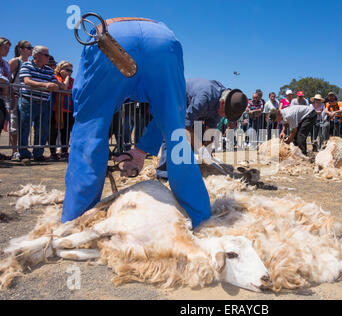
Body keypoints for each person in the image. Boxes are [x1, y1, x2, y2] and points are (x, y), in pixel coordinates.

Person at [63, 18, 225, 229]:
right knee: (177, 136)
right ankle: (201, 217)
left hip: (110, 38)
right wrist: (142, 150)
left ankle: (75, 220)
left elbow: (84, 110)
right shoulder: (208, 90)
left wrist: (139, 152)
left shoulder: (209, 93)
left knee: (90, 133)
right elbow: (164, 118)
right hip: (164, 42)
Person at [155, 78, 247, 179]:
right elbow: (186, 124)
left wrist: (208, 151)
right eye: (225, 114)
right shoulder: (204, 97)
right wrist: (201, 148)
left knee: (195, 139)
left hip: (197, 111)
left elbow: (210, 129)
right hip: (175, 99)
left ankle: (188, 170)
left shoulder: (223, 103)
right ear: (222, 103)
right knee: (174, 135)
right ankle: (164, 175)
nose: (224, 117)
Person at [18, 46, 66, 162]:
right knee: (25, 128)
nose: (48, 57)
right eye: (46, 55)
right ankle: (24, 154)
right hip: (27, 101)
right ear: (37, 55)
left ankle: (38, 154)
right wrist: (45, 85)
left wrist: (60, 85)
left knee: (42, 130)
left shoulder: (49, 70)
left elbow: (55, 83)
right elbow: (27, 81)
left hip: (43, 102)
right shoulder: (26, 65)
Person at [8, 40, 33, 161]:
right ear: (21, 49)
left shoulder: (30, 63)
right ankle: (14, 151)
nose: (31, 50)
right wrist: (11, 93)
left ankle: (22, 149)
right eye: (29, 48)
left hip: (26, 97)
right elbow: (6, 78)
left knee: (24, 124)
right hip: (15, 96)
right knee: (14, 123)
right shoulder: (15, 61)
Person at [49, 61, 74, 161]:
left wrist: (68, 78)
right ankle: (53, 153)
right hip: (55, 109)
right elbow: (64, 87)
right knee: (53, 132)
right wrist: (67, 78)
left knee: (66, 132)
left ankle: (64, 151)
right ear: (60, 69)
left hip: (68, 109)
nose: (70, 72)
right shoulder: (55, 78)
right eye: (67, 70)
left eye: (71, 71)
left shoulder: (73, 80)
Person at [0, 37, 11, 160]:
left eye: (8, 48)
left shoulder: (5, 63)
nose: (7, 50)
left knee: (0, 122)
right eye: (5, 47)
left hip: (2, 98)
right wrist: (5, 82)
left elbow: (6, 79)